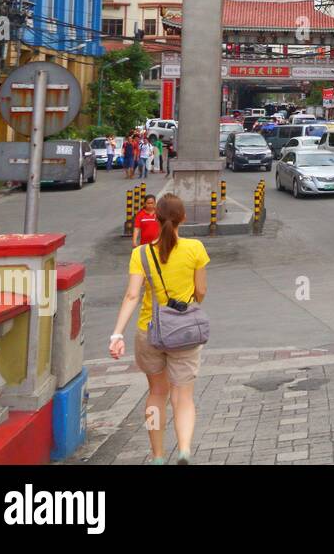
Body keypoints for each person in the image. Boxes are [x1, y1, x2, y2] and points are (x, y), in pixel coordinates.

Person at [109, 194, 210, 465]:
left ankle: (157, 456)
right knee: (183, 394)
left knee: (156, 393)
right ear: (183, 218)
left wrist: (117, 333)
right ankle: (185, 449)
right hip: (185, 332)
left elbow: (132, 295)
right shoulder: (196, 249)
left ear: (155, 218)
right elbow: (201, 292)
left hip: (149, 331)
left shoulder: (140, 253)